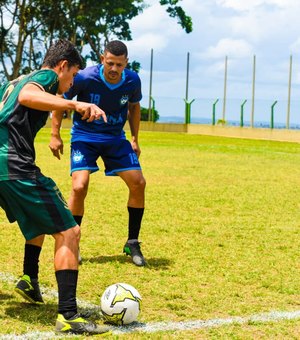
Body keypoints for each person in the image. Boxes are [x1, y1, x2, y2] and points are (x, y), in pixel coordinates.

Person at [0, 39, 110, 335]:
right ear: (62, 66)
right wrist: (74, 102)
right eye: (73, 75)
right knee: (68, 230)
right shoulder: (44, 78)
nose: (72, 82)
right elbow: (28, 96)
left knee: (38, 218)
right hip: (11, 165)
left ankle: (28, 277)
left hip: (4, 165)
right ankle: (68, 315)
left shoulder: (14, 80)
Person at [49, 40, 147, 266]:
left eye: (119, 65)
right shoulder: (84, 77)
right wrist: (55, 134)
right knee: (79, 186)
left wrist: (134, 138)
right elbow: (60, 100)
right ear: (102, 59)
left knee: (138, 183)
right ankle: (73, 242)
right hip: (85, 138)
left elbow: (134, 107)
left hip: (115, 139)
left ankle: (132, 242)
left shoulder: (133, 80)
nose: (114, 69)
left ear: (126, 63)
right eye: (110, 63)